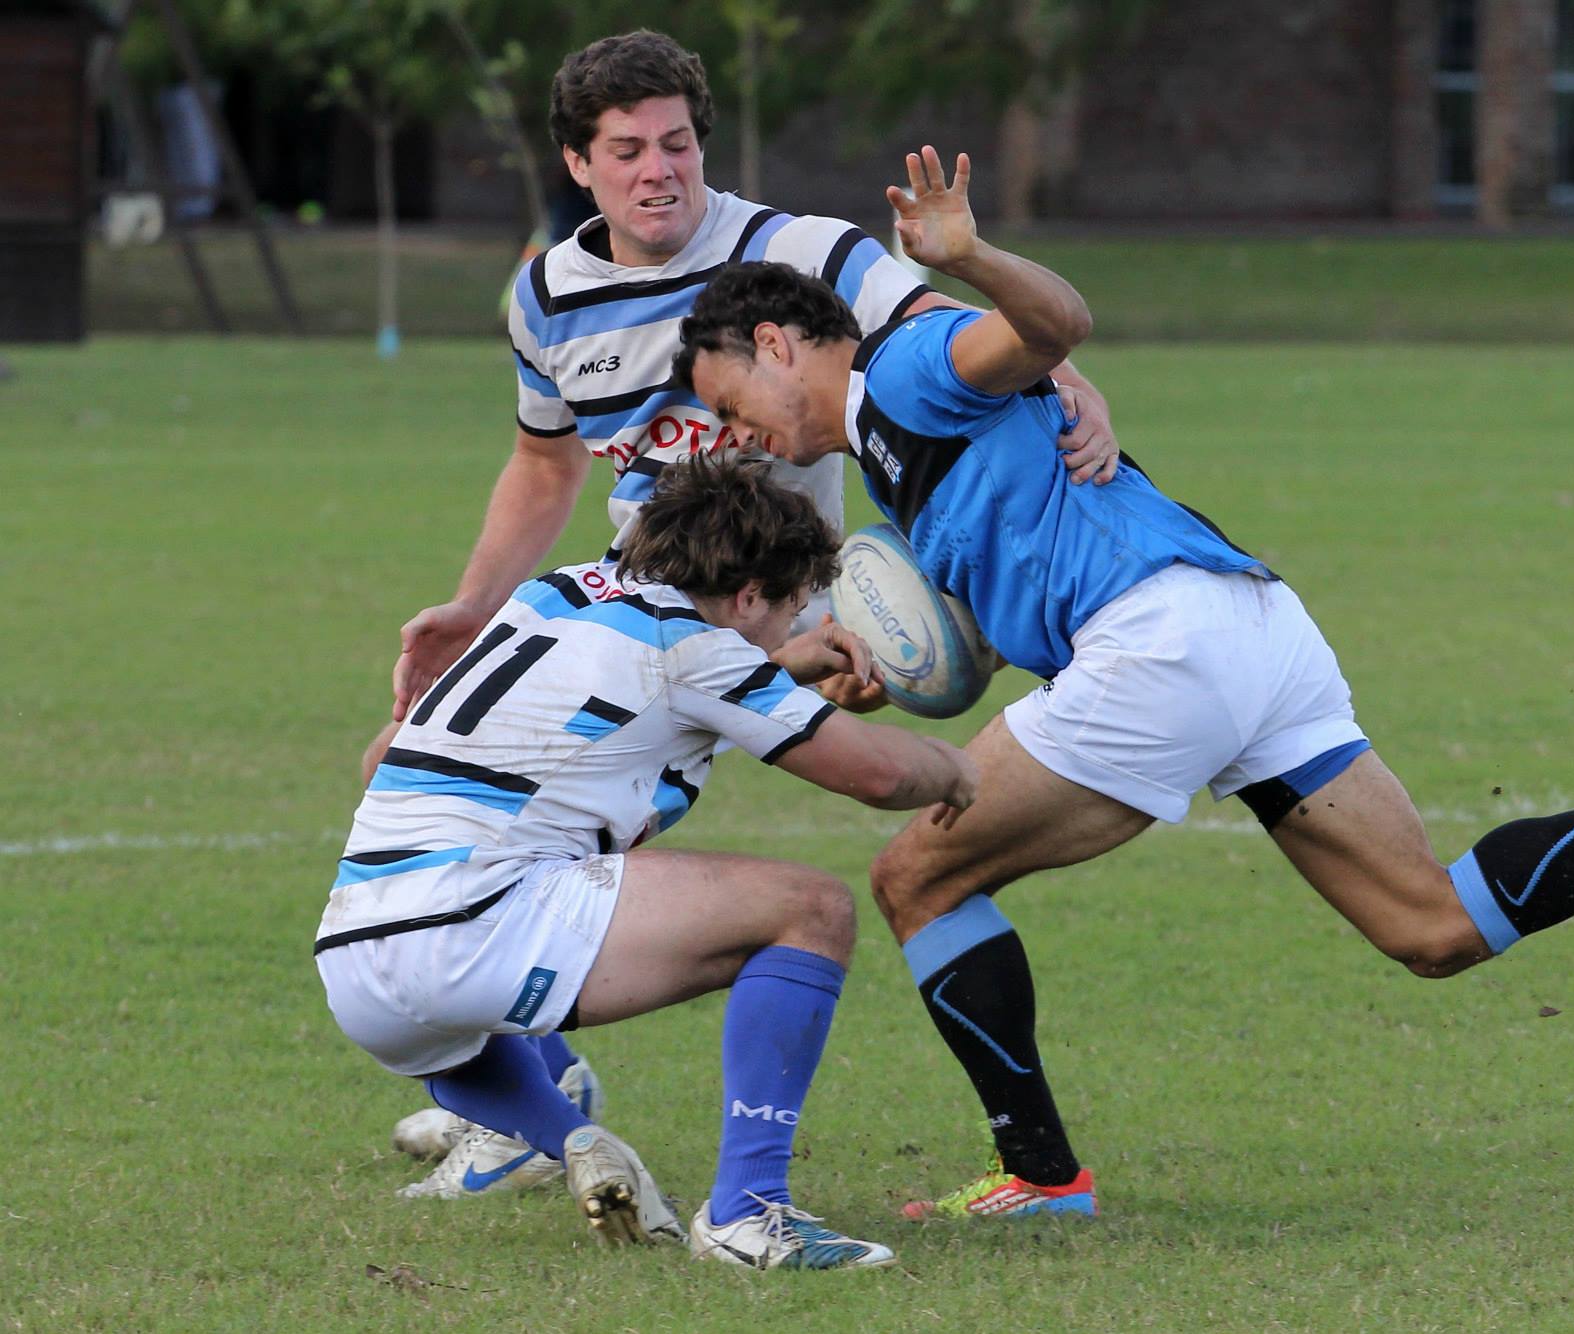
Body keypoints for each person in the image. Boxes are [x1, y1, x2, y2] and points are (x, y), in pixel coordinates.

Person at [675, 146, 1574, 1222]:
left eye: (729, 403)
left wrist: (971, 257)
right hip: (1248, 623)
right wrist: (916, 668)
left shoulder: (904, 374)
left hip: (1158, 644)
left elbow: (1055, 323)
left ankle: (1041, 1174)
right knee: (1431, 927)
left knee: (914, 874)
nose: (739, 435)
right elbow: (994, 598)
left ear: (775, 344)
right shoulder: (899, 459)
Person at [371, 26, 1120, 1193]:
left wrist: (1072, 380)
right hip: (629, 617)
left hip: (772, 611)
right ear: (579, 163)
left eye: (675, 143)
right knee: (425, 787)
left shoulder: (800, 250)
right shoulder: (545, 296)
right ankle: (531, 1092)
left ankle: (535, 1104)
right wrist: (472, 603)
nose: (655, 170)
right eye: (625, 150)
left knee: (578, 843)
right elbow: (542, 462)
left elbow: (969, 335)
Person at [317, 458, 977, 1265]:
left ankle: (573, 1138)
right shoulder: (696, 649)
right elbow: (878, 774)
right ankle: (750, 1214)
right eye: (792, 610)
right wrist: (955, 767)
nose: (792, 630)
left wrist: (788, 664)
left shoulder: (557, 593)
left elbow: (403, 746)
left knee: (459, 1027)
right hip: (477, 921)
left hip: (356, 958)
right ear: (744, 598)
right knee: (811, 908)